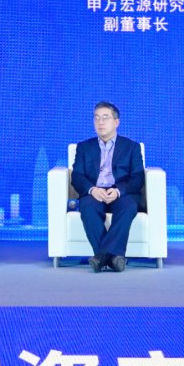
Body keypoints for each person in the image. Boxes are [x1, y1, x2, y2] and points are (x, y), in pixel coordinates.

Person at [67, 101, 145, 271]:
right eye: (96, 118)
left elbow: (138, 177)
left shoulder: (131, 147)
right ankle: (114, 258)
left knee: (128, 207)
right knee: (87, 207)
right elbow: (77, 176)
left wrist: (118, 191)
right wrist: (92, 190)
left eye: (105, 118)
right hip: (95, 192)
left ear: (116, 122)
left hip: (121, 193)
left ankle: (101, 257)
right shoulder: (84, 147)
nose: (100, 122)